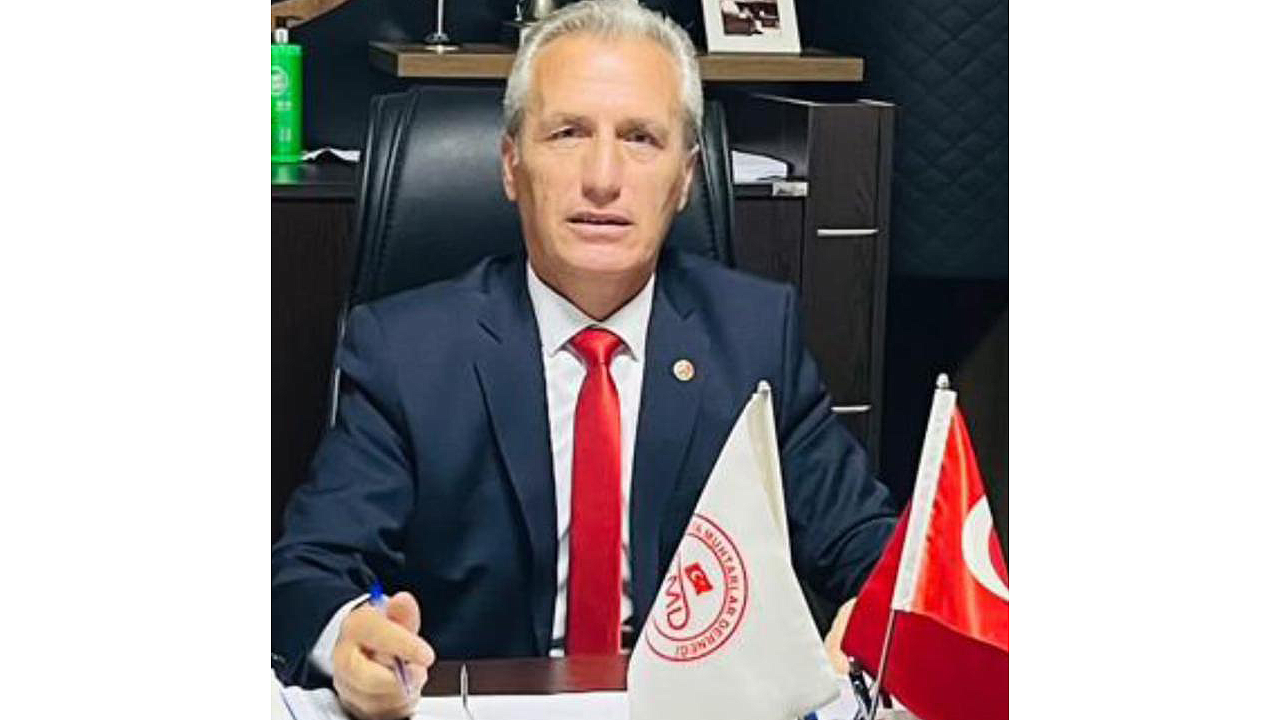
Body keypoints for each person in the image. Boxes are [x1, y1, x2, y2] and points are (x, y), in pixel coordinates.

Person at [271, 2, 898, 718]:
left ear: (686, 178)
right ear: (512, 164)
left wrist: (879, 610)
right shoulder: (407, 350)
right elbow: (311, 570)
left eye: (641, 138)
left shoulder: (754, 336)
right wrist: (350, 639)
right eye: (568, 133)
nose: (603, 178)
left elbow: (868, 548)